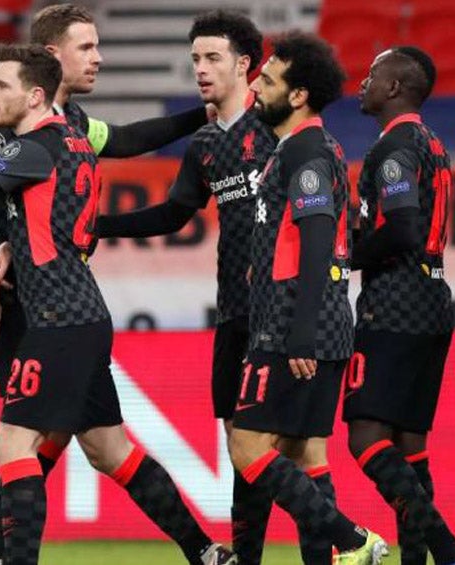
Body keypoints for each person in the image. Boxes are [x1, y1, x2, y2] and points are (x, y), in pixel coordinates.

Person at [0, 44, 236, 565]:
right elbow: (57, 208)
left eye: (0, 85)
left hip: (56, 318)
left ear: (34, 95)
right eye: (87, 45)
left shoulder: (29, 146)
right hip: (82, 313)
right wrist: (9, 245)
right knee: (108, 450)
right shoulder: (75, 139)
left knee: (14, 445)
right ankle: (206, 553)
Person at [85, 10, 285, 564]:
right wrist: (100, 225)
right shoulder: (204, 143)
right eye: (195, 58)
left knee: (281, 447)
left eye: (212, 57)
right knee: (239, 445)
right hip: (234, 313)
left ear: (245, 64)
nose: (200, 68)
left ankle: (339, 542)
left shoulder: (280, 127)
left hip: (281, 310)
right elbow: (176, 213)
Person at [228, 31, 387, 565]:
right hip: (318, 326)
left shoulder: (307, 152)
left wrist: (297, 331)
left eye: (268, 80)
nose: (256, 88)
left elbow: (319, 238)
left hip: (294, 327)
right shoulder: (308, 150)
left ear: (298, 96)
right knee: (302, 454)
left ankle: (352, 540)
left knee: (247, 448)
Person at [343, 46, 455, 565]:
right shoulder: (432, 142)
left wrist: (342, 259)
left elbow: (400, 228)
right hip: (432, 300)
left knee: (365, 439)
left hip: (395, 303)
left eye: (372, 74)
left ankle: (450, 553)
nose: (364, 82)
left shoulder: (395, 148)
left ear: (395, 88)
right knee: (410, 446)